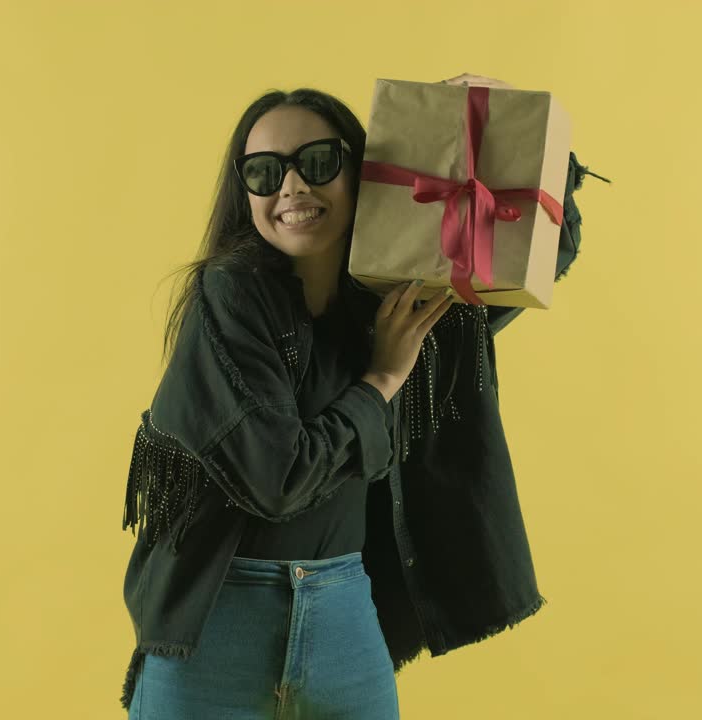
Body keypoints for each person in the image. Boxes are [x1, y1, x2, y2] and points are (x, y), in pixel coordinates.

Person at [119, 79, 608, 718]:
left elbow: (534, 253)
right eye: (264, 173)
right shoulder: (230, 297)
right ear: (246, 194)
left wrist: (512, 151)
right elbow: (278, 476)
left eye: (317, 163)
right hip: (219, 623)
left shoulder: (391, 304)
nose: (291, 187)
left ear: (361, 173)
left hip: (344, 612)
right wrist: (380, 381)